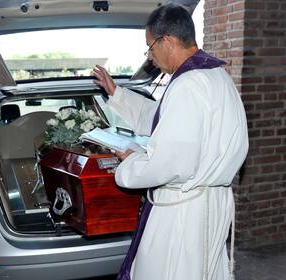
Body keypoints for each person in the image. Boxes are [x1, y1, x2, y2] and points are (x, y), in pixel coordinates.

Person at [93, 4, 248, 280]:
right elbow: (162, 119)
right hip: (209, 203)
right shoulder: (217, 77)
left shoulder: (187, 84)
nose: (150, 57)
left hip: (184, 210)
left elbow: (171, 164)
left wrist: (130, 162)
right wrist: (116, 92)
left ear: (167, 41)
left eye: (150, 47)